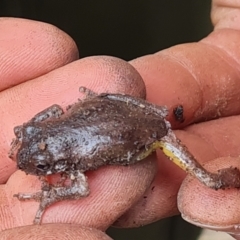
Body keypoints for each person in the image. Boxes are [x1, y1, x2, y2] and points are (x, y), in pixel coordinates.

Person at [1, 0, 240, 239]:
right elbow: (53, 110)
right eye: (30, 132)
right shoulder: (53, 124)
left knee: (210, 181)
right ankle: (146, 108)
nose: (26, 161)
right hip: (121, 112)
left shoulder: (74, 165)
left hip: (153, 138)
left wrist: (51, 193)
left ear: (62, 164)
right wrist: (28, 129)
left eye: (42, 166)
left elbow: (82, 189)